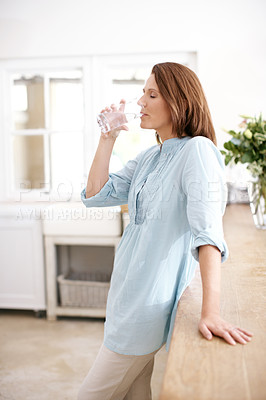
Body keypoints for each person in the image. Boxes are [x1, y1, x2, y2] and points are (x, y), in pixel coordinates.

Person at [78, 62, 253, 400]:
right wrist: (107, 138)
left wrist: (211, 312)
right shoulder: (149, 157)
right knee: (136, 392)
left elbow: (208, 235)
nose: (140, 102)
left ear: (179, 102)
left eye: (152, 94)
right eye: (142, 93)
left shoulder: (197, 151)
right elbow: (95, 196)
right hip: (124, 300)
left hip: (146, 308)